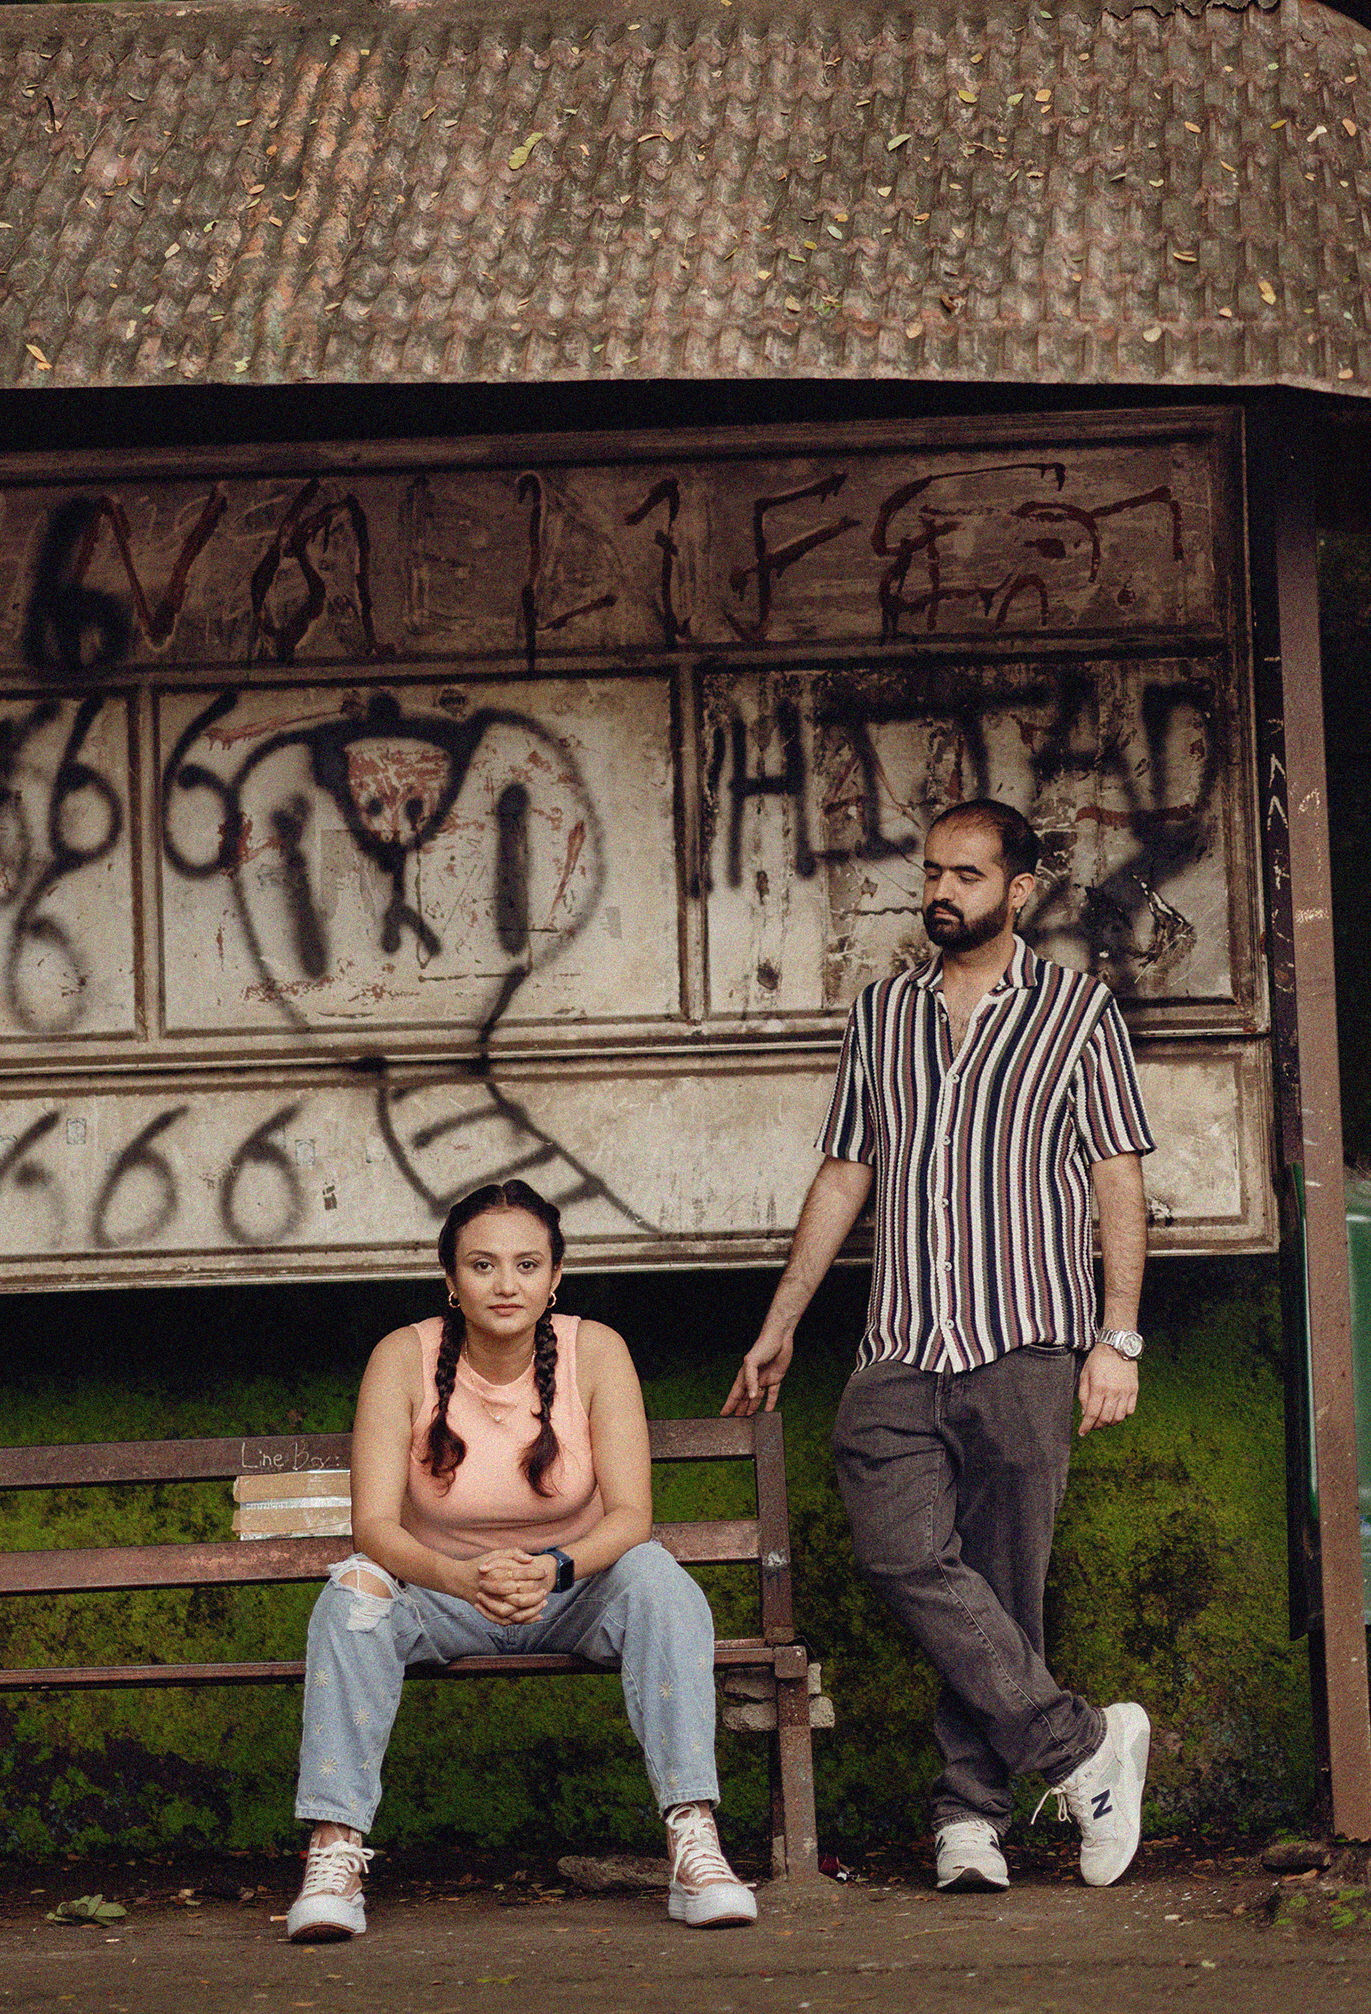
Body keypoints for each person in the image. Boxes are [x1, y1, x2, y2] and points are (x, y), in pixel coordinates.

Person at [725, 798, 1156, 1895]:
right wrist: (782, 1320)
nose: (942, 892)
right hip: (903, 1342)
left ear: (1019, 890)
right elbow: (845, 1171)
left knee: (1004, 1587)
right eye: (932, 872)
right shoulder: (884, 1013)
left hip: (1025, 1337)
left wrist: (1117, 1338)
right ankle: (1084, 1747)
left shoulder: (1078, 1011)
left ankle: (970, 1818)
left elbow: (1117, 1176)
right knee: (901, 1554)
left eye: (967, 874)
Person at [286, 1177, 757, 1942]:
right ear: (450, 1279)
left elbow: (632, 1516)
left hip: (573, 1592)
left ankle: (693, 1840)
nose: (506, 1284)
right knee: (353, 1598)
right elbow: (373, 1525)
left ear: (555, 1277)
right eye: (482, 1265)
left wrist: (556, 1567)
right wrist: (459, 1577)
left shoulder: (595, 1351)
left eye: (527, 1264)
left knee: (661, 1582)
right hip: (444, 1594)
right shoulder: (402, 1358)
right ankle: (334, 1852)